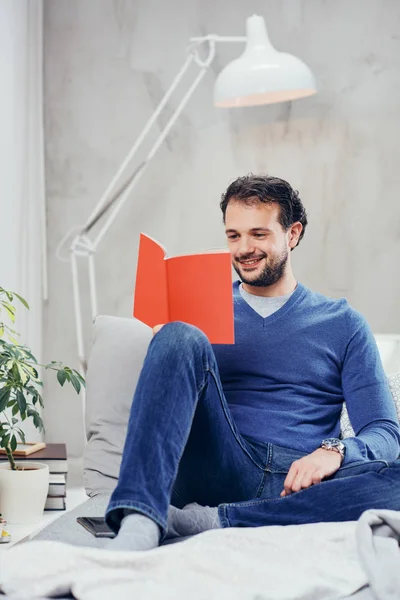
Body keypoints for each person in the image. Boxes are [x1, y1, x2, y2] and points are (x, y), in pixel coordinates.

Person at [105, 174, 400, 551]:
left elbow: (384, 433)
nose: (243, 248)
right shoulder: (200, 307)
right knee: (179, 335)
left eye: (258, 234)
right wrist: (171, 344)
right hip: (218, 461)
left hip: (296, 480)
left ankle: (213, 521)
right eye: (233, 236)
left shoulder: (343, 324)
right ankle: (140, 521)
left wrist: (335, 451)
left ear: (292, 234)